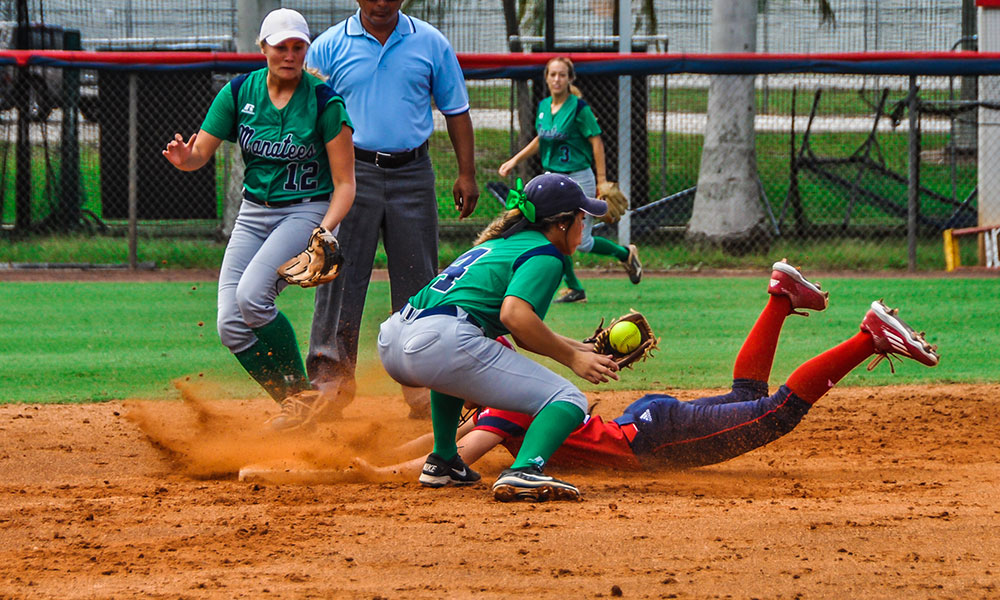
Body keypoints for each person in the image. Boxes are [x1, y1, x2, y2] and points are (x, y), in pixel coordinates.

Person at [358, 261, 939, 478]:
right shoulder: (507, 392)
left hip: (652, 441)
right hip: (647, 422)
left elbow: (454, 454)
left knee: (775, 413)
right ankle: (780, 298)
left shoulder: (509, 404)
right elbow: (451, 436)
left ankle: (868, 337)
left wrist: (374, 474)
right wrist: (379, 454)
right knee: (745, 393)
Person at [376, 173, 621, 502]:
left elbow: (515, 320)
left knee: (451, 372)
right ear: (561, 223)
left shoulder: (500, 243)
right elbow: (515, 317)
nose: (584, 225)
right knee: (567, 399)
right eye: (581, 217)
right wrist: (573, 359)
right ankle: (525, 470)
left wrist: (581, 347)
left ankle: (444, 459)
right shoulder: (548, 254)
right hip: (441, 341)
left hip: (396, 337)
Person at [162, 8, 355, 423]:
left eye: (297, 46)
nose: (289, 54)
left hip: (305, 211)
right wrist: (185, 160)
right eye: (280, 46)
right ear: (263, 47)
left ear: (306, 49)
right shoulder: (238, 93)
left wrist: (325, 230)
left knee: (252, 297)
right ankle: (296, 403)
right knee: (230, 323)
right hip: (253, 213)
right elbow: (200, 154)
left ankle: (303, 397)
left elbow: (345, 184)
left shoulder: (325, 103)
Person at [301, 0, 480, 426]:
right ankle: (330, 384)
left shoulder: (430, 43)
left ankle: (423, 390)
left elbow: (456, 110)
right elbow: (305, 114)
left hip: (413, 172)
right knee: (338, 275)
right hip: (351, 172)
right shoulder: (327, 48)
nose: (381, 2)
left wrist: (467, 172)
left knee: (418, 281)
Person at [498, 56, 641, 304]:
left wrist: (601, 180)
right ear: (546, 78)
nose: (557, 79)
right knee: (552, 233)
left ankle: (624, 253)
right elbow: (541, 139)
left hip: (578, 177)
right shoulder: (544, 106)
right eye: (552, 74)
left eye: (562, 74)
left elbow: (596, 141)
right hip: (552, 178)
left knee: (582, 242)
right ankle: (575, 288)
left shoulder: (579, 108)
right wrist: (514, 160)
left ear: (570, 79)